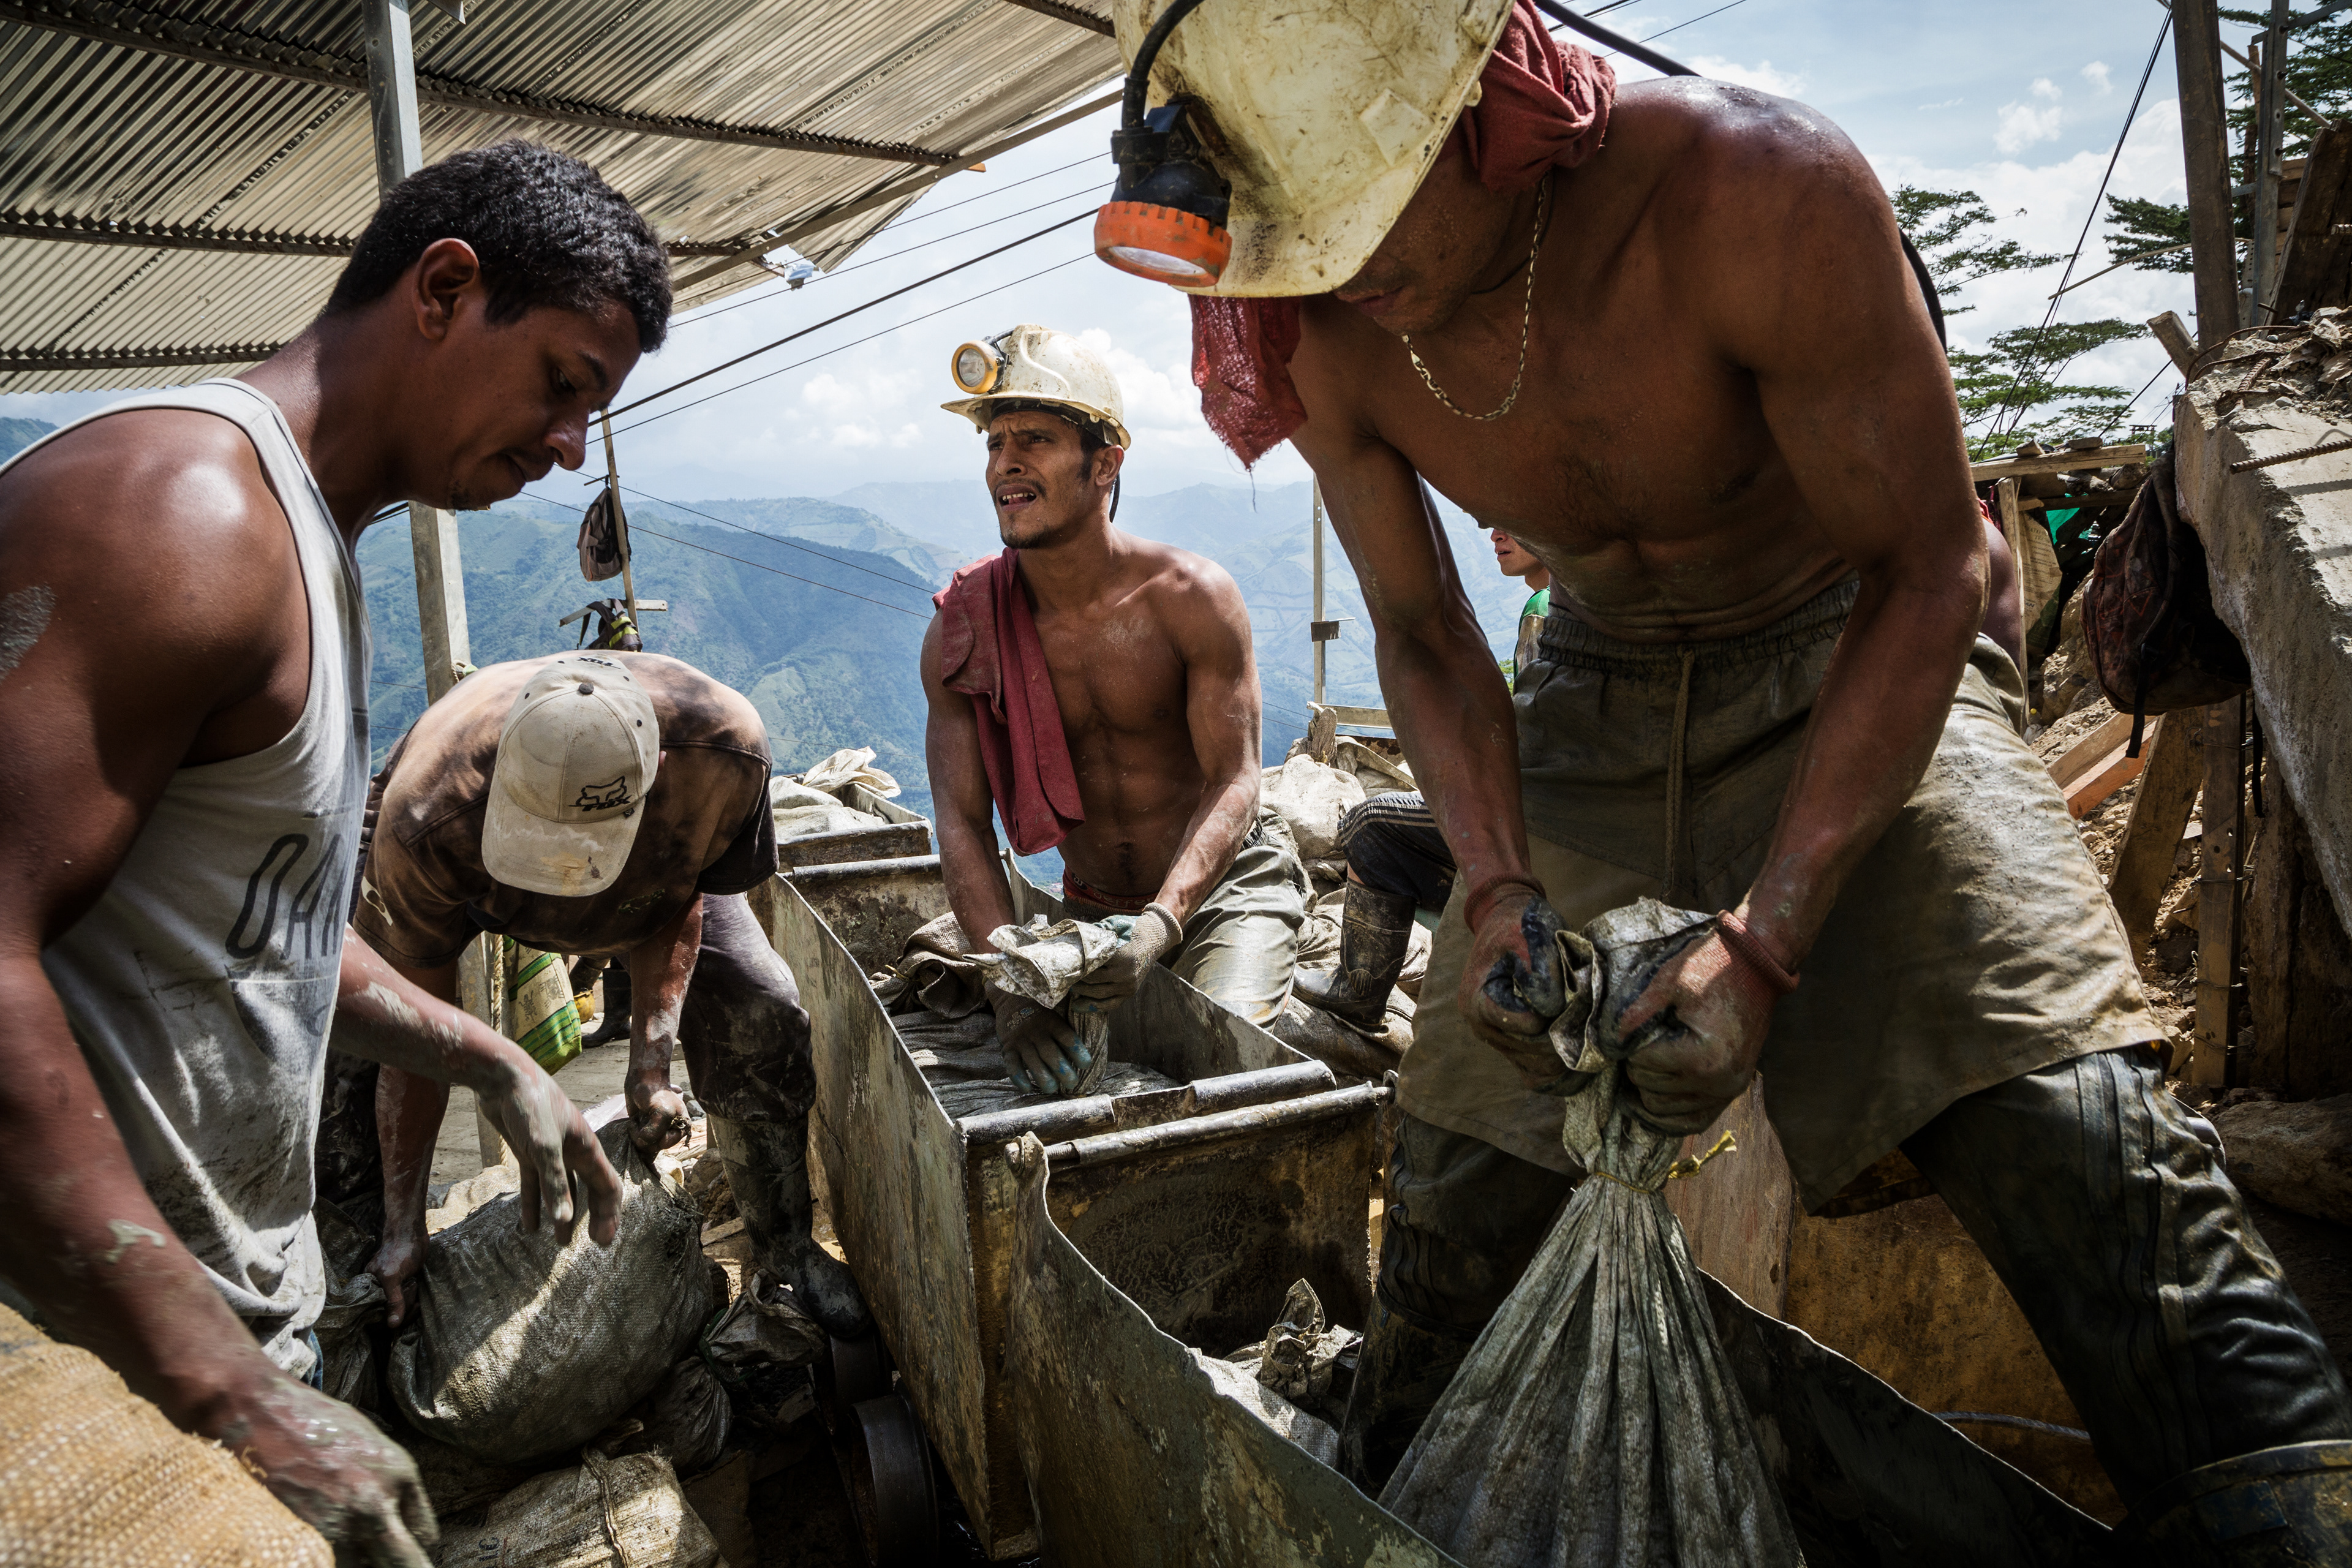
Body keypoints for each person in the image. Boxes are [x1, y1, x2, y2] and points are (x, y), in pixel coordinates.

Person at [1109, 0, 2352, 1545]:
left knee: (2077, 1143)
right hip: (1589, 685)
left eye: (1360, 213)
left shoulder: (1754, 192)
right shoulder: (1319, 319)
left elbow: (1922, 572)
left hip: (1855, 638)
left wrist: (1767, 936)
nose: (1340, 266)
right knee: (1459, 1187)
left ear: (1476, 111)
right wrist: (1494, 883)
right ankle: (1395, 1485)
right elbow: (1426, 632)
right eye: (1298, 238)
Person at [0, 139, 667, 1562]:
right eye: (561, 384)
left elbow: (262, 927)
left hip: (216, 1350)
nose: (566, 451)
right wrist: (219, 1383)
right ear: (442, 287)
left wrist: (481, 1053)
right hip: (82, 1403)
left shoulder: (309, 539)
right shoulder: (183, 513)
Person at [353, 652, 869, 1339]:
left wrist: (651, 1066)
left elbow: (680, 896)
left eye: (584, 852)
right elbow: (411, 1037)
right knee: (349, 1054)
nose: (570, 876)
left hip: (651, 861)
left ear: (653, 776)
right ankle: (377, 1266)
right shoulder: (425, 818)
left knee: (761, 1006)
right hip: (461, 850)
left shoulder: (721, 754)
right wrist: (403, 1218)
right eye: (548, 850)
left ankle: (785, 1251)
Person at [922, 324, 1306, 1096]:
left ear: (1106, 464)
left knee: (1225, 1060)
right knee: (1067, 1087)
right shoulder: (966, 627)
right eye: (994, 444)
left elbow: (1235, 780)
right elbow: (961, 821)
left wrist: (1164, 925)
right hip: (1091, 910)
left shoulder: (1191, 600)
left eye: (1035, 438)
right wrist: (1011, 986)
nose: (1006, 463)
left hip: (1226, 887)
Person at [1298, 529, 1551, 1028]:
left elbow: (1534, 740)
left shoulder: (1545, 605)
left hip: (1531, 825)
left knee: (1371, 824)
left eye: (1514, 519)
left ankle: (1360, 991)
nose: (1497, 533)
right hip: (1548, 817)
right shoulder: (1570, 602)